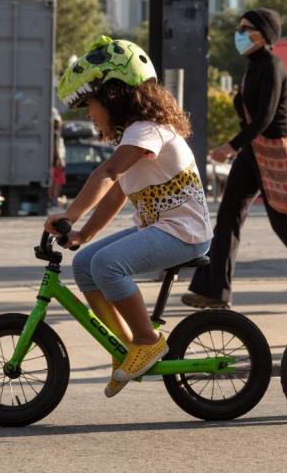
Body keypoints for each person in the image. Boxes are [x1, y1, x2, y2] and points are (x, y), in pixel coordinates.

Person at [47, 35, 213, 397]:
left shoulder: (147, 130)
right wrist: (82, 235)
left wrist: (70, 214)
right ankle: (124, 350)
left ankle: (146, 340)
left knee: (107, 265)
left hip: (185, 232)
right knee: (85, 262)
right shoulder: (133, 136)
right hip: (163, 228)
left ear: (114, 94)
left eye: (90, 105)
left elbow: (106, 174)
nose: (89, 115)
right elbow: (118, 192)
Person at [181, 8, 287, 311]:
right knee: (228, 215)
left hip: (274, 151)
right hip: (253, 151)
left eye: (246, 28)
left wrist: (230, 146)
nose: (240, 32)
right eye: (240, 27)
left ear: (264, 35)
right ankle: (213, 292)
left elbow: (265, 117)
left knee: (285, 220)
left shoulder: (272, 66)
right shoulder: (252, 66)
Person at [49, 112, 67, 208]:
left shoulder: (51, 134)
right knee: (57, 182)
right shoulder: (56, 134)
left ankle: (52, 200)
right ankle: (54, 200)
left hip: (53, 162)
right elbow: (56, 147)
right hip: (56, 162)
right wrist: (60, 160)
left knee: (53, 182)